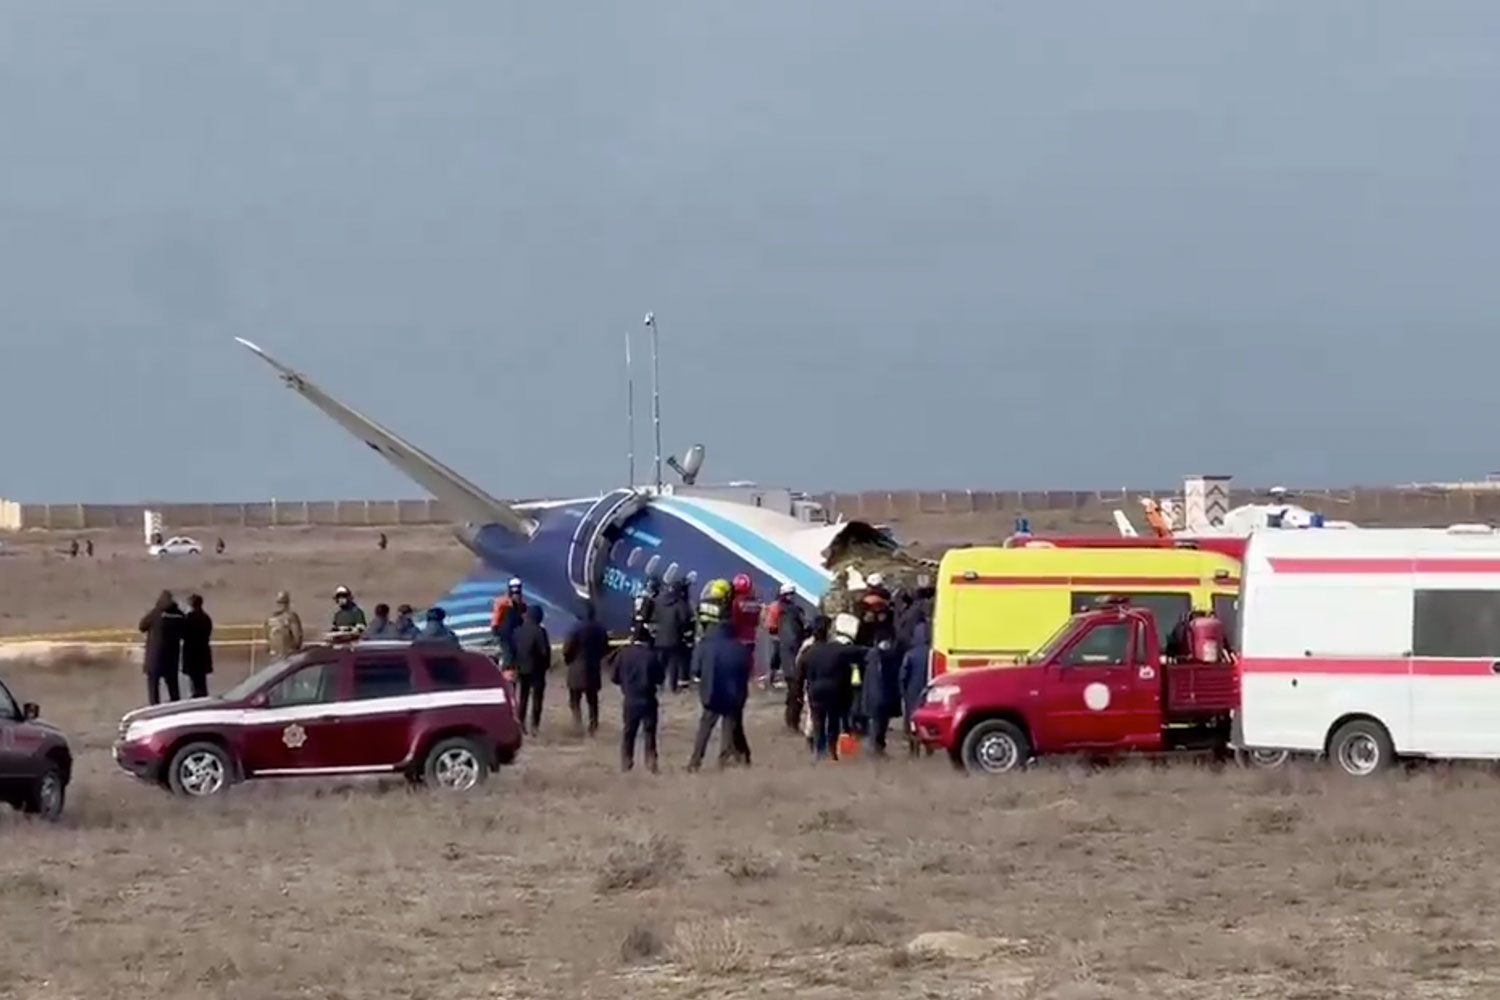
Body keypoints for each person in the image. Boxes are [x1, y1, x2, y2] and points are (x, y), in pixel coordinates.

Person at [686, 616, 753, 770]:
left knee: (705, 728)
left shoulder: (705, 646)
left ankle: (695, 761)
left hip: (712, 692)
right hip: (734, 694)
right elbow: (747, 670)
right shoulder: (740, 648)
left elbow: (695, 669)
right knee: (731, 726)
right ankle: (727, 758)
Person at [799, 616, 860, 760]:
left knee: (818, 722)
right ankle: (832, 751)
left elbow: (799, 674)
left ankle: (819, 751)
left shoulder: (808, 651)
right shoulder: (838, 649)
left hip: (815, 690)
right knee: (833, 722)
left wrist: (798, 694)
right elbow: (857, 656)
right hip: (835, 690)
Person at [612, 622, 665, 772]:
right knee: (650, 733)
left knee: (629, 733)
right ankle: (651, 762)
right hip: (648, 699)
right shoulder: (651, 656)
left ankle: (626, 762)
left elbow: (614, 677)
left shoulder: (623, 654)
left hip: (630, 700)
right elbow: (660, 678)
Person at [563, 600, 610, 735]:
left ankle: (577, 724)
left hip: (575, 668)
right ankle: (593, 725)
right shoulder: (600, 629)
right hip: (593, 668)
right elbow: (605, 648)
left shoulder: (575, 629)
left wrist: (568, 660)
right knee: (592, 700)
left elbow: (567, 648)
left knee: (574, 700)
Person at [768, 584, 808, 725]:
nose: (791, 596)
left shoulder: (788, 610)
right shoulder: (785, 610)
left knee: (793, 683)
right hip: (788, 646)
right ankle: (792, 719)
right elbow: (771, 626)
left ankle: (791, 717)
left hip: (786, 645)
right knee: (795, 683)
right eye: (789, 594)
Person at [138, 590, 185, 705]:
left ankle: (154, 708)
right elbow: (185, 632)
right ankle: (176, 706)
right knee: (173, 686)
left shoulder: (156, 613)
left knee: (153, 687)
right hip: (172, 657)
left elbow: (142, 626)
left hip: (154, 657)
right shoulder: (179, 615)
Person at [862, 635, 905, 756]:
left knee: (878, 723)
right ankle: (877, 749)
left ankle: (877, 748)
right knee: (879, 724)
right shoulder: (889, 657)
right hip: (882, 697)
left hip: (876, 697)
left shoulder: (871, 657)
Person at [511, 604, 551, 735]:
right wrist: (546, 665)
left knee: (523, 697)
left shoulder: (517, 631)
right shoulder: (540, 631)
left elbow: (513, 651)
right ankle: (535, 725)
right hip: (537, 670)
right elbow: (544, 652)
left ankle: (521, 723)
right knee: (537, 698)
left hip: (521, 668)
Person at [651, 578, 694, 693]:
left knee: (660, 663)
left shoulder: (658, 601)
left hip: (659, 639)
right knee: (673, 665)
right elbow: (685, 621)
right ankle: (673, 687)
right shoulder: (680, 604)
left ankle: (658, 685)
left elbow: (654, 618)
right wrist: (688, 638)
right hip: (675, 639)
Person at [899, 618, 932, 757]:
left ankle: (914, 750)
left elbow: (903, 675)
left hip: (912, 692)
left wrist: (902, 691)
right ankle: (929, 748)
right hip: (930, 691)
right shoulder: (933, 652)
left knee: (913, 721)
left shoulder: (910, 654)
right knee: (929, 720)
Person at [181, 594, 214, 698]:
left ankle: (196, 698)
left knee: (194, 681)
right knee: (202, 681)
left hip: (191, 653)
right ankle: (202, 697)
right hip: (203, 652)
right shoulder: (206, 618)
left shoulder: (188, 619)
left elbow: (182, 634)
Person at [489, 578, 528, 666]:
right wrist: (495, 627)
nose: (516, 593)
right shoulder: (503, 602)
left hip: (516, 633)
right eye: (514, 590)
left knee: (516, 654)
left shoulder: (522, 604)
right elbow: (496, 614)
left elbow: (524, 617)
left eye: (517, 590)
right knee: (508, 654)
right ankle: (506, 672)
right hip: (505, 632)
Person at [266, 591, 304, 660]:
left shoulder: (271, 619)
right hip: (285, 656)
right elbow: (297, 638)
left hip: (281, 656)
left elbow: (268, 640)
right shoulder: (291, 617)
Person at [633, 575, 661, 641]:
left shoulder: (657, 600)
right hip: (643, 631)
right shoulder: (642, 598)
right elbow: (638, 615)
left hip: (652, 631)